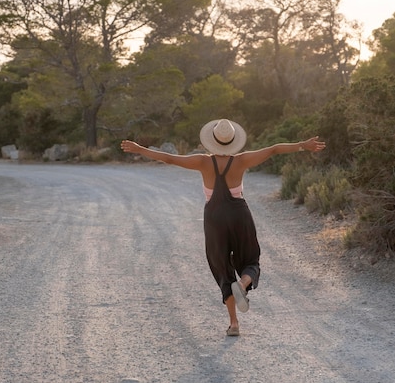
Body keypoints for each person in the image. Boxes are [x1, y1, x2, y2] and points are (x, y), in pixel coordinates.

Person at [121, 119, 325, 337]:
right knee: (251, 260)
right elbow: (274, 149)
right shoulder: (242, 160)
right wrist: (303, 144)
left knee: (222, 268)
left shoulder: (202, 162)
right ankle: (244, 283)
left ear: (212, 141)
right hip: (239, 214)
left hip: (214, 217)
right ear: (233, 141)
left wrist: (139, 149)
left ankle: (234, 324)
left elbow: (169, 158)